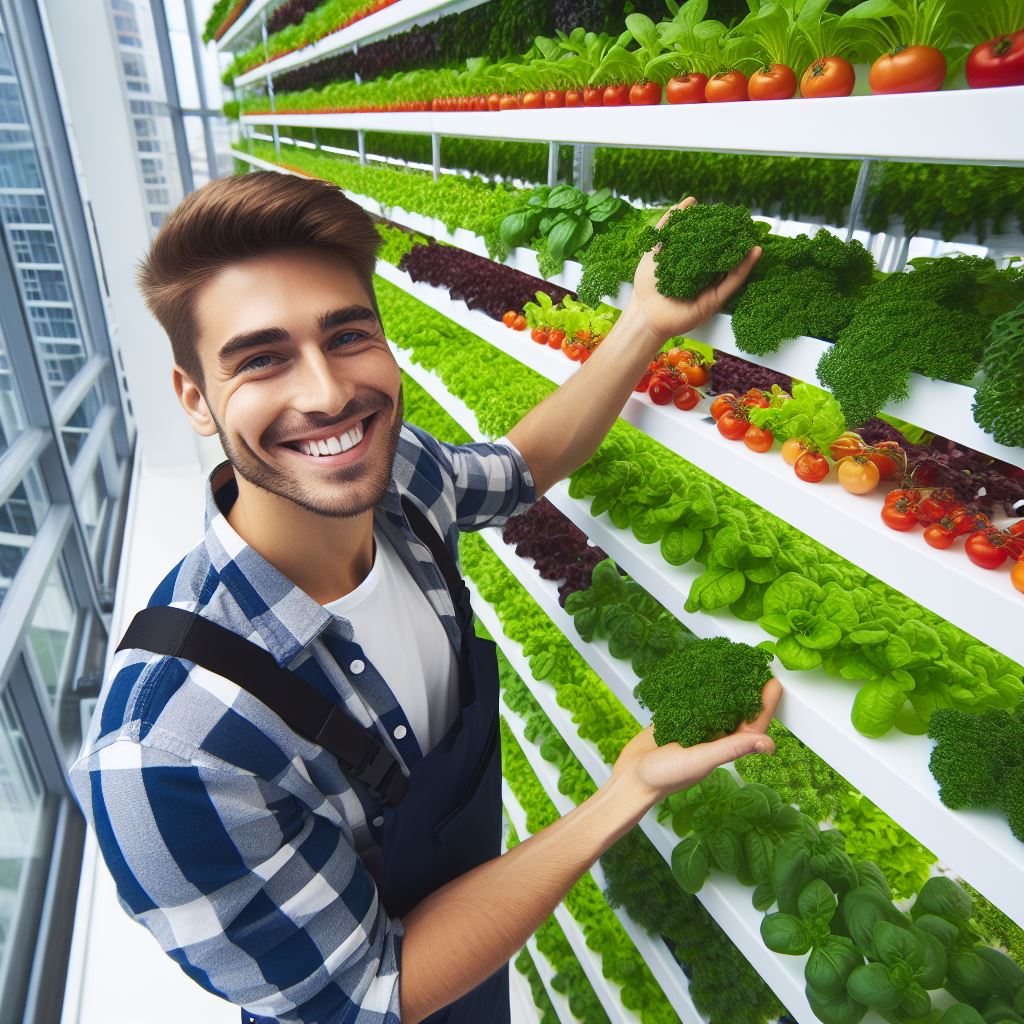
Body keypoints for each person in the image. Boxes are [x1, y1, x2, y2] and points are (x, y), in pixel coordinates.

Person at [69, 171, 776, 1024]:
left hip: (476, 955)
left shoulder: (399, 484)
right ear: (194, 399)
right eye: (262, 359)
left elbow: (521, 467)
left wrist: (643, 325)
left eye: (347, 335)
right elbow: (372, 991)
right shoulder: (169, 754)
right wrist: (624, 793)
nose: (326, 394)